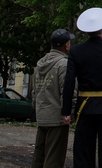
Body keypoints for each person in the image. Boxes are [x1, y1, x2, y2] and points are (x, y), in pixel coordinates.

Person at [61, 7, 102, 168]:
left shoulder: (76, 51)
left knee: (83, 151)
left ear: (86, 32)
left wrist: (66, 111)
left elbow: (69, 81)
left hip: (85, 107)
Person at [31, 28, 75, 168]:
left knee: (39, 156)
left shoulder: (39, 64)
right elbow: (68, 91)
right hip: (57, 118)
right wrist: (70, 111)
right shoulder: (63, 64)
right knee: (54, 159)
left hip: (42, 116)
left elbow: (34, 91)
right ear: (66, 45)